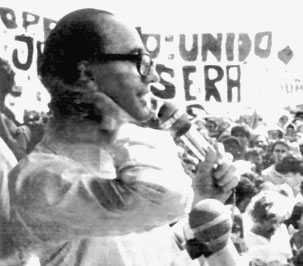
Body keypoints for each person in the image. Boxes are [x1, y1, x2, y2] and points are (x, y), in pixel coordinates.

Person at [2, 8, 240, 266]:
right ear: (87, 74)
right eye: (140, 61)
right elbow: (162, 196)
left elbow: (148, 253)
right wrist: (112, 120)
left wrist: (200, 201)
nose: (153, 76)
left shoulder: (122, 173)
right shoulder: (38, 182)